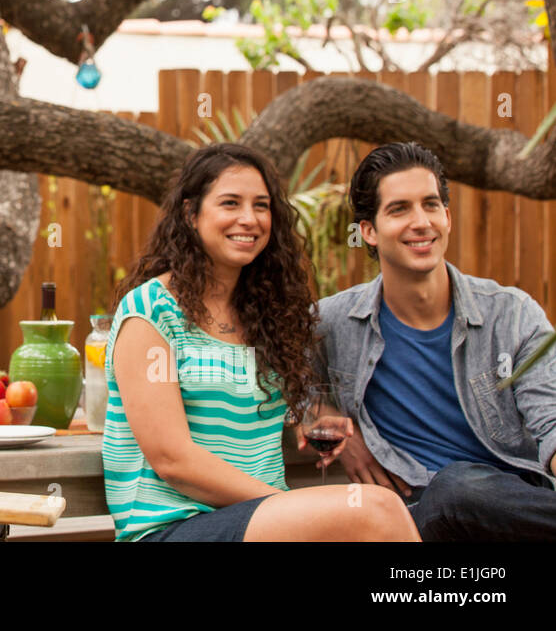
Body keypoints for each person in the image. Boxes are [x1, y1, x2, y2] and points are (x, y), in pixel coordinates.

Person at [105, 143, 419, 541]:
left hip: (256, 519)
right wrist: (285, 505)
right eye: (230, 203)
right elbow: (173, 460)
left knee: (374, 511)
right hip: (171, 528)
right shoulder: (151, 311)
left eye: (261, 205)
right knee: (374, 509)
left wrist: (311, 416)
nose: (249, 219)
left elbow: (256, 412)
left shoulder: (266, 314)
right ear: (191, 213)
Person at [317, 142, 556, 540]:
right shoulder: (333, 322)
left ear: (447, 217)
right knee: (450, 489)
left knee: (460, 487)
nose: (421, 221)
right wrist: (333, 427)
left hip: (515, 513)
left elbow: (552, 420)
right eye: (399, 209)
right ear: (368, 232)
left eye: (430, 205)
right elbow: (286, 381)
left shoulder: (512, 315)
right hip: (415, 515)